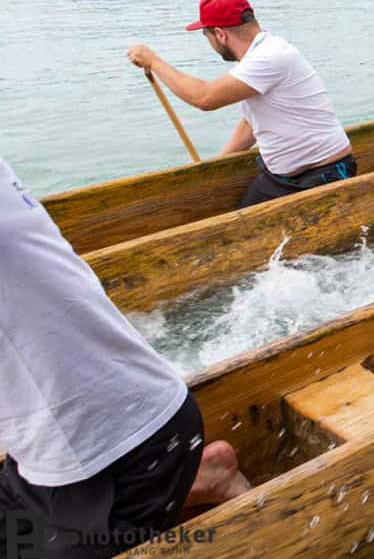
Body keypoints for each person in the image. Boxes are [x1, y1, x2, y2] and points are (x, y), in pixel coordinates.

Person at [0, 159, 250, 558]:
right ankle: (200, 478)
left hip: (122, 444)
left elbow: (209, 99)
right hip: (48, 449)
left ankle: (182, 480)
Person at [127, 0, 355, 209]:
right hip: (281, 179)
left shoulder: (270, 56)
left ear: (220, 34)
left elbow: (205, 98)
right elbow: (251, 122)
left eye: (206, 35)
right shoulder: (257, 56)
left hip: (323, 173)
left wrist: (154, 61)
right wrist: (217, 165)